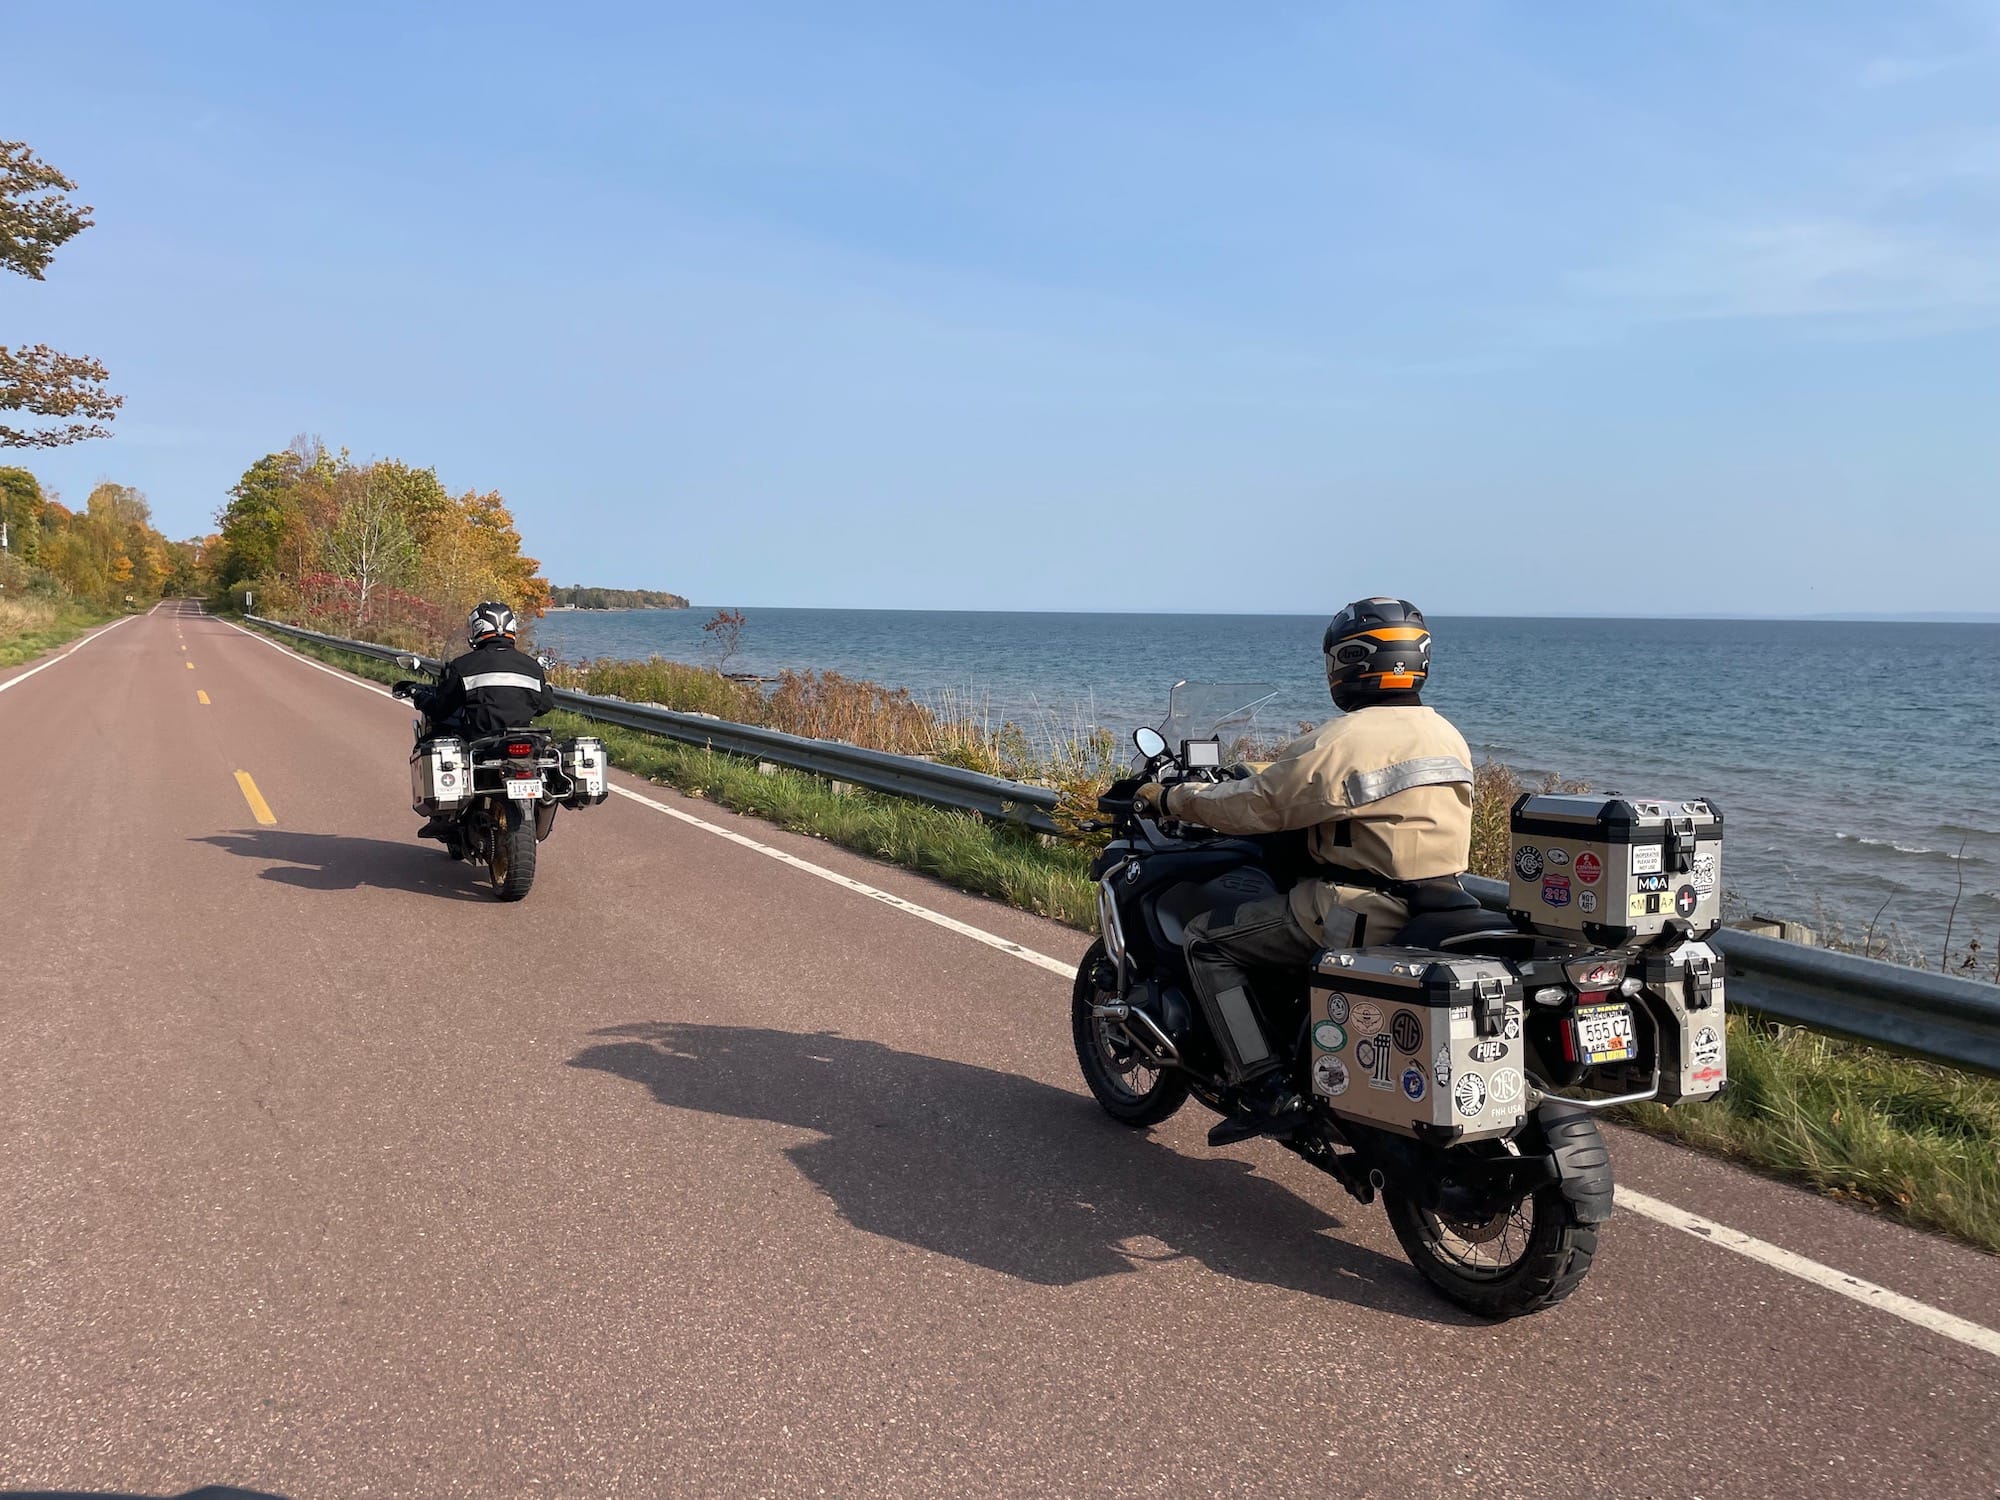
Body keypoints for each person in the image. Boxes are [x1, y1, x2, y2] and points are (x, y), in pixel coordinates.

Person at [1133, 597, 1474, 1144]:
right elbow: (1318, 781)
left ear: (1352, 662)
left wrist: (1174, 798)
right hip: (1432, 901)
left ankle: (1265, 1086)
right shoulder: (1444, 733)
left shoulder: (1345, 738)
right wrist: (1261, 771)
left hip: (1353, 909)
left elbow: (1256, 805)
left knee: (1205, 942)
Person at [415, 601, 556, 839]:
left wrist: (421, 697)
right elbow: (545, 706)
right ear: (512, 628)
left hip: (481, 740)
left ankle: (444, 817)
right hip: (524, 740)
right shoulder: (531, 667)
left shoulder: (463, 666)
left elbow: (442, 708)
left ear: (476, 629)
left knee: (433, 742)